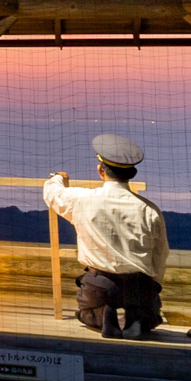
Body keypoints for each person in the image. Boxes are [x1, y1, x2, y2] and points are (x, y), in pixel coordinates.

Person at [44, 134, 169, 339]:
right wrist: (152, 284)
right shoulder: (150, 210)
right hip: (139, 284)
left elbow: (53, 194)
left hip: (99, 283)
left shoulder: (82, 200)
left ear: (101, 170)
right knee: (151, 318)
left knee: (85, 313)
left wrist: (57, 177)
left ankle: (103, 315)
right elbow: (160, 254)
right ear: (133, 173)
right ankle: (136, 316)